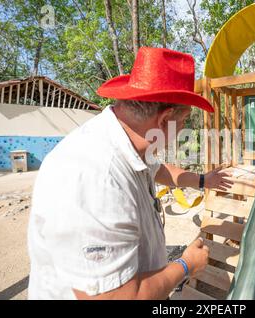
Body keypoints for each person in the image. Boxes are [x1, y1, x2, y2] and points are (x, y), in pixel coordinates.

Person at [27, 47, 233, 300]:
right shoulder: (97, 179)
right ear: (164, 119)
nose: (182, 131)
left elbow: (158, 170)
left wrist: (203, 180)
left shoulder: (127, 142)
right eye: (183, 122)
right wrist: (186, 265)